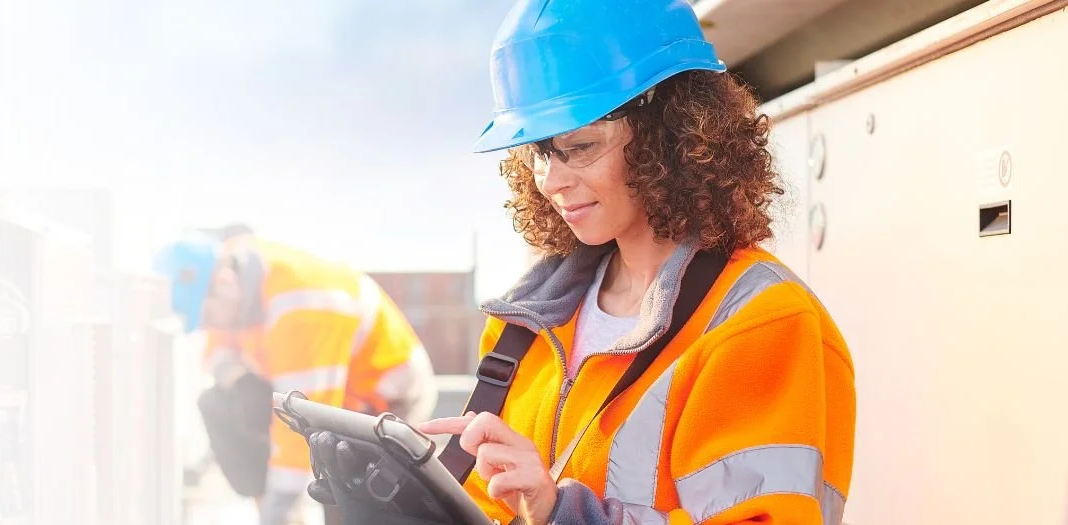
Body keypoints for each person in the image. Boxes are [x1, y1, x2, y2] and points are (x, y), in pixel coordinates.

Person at [412, 1, 857, 524]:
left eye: (579, 146)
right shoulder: (524, 327)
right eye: (536, 152)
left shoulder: (759, 324)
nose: (551, 181)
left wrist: (563, 513)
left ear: (669, 137)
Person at [159, 229, 439, 525]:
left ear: (223, 282)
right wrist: (242, 382)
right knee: (220, 403)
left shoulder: (300, 306)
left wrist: (275, 513)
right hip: (321, 389)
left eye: (208, 317)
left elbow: (302, 428)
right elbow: (215, 354)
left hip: (385, 397)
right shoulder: (231, 274)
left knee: (348, 491)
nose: (209, 327)